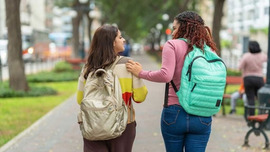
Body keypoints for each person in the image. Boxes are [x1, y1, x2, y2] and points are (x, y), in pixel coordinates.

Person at [126, 11, 216, 152]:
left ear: (184, 27)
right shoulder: (208, 49)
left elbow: (166, 75)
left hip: (175, 112)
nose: (173, 31)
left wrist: (140, 73)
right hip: (202, 113)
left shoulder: (172, 45)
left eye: (175, 27)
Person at [76, 25, 148, 152]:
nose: (123, 40)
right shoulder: (129, 65)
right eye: (120, 37)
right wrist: (139, 74)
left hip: (93, 124)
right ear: (112, 43)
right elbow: (140, 97)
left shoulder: (88, 67)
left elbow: (80, 99)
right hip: (123, 125)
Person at [238, 40, 267, 116]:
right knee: (261, 98)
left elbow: (239, 67)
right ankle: (262, 115)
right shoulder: (262, 55)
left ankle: (251, 117)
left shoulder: (246, 56)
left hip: (248, 78)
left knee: (250, 99)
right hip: (259, 78)